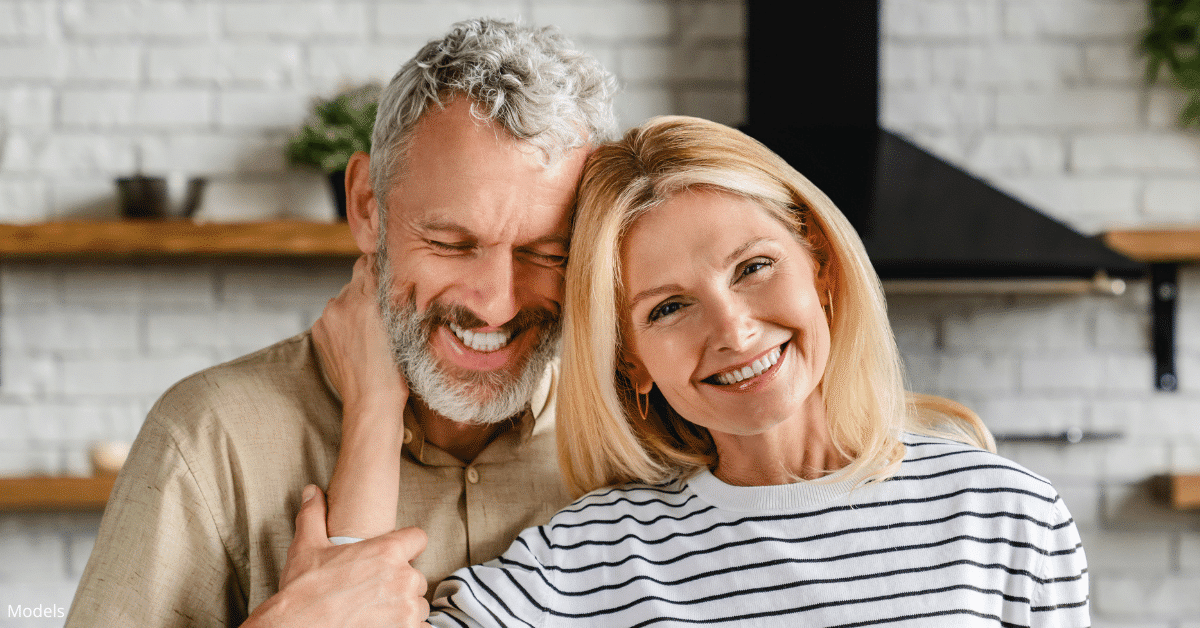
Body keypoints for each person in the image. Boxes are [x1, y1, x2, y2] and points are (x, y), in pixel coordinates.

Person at [324, 115, 1090, 626]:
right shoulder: (598, 555)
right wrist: (375, 408)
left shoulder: (1007, 515)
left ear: (821, 269)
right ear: (631, 360)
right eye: (668, 308)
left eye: (754, 267)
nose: (732, 329)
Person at [65, 18, 617, 628]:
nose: (496, 305)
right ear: (366, 208)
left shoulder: (633, 441)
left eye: (547, 253)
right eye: (451, 243)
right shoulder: (209, 437)